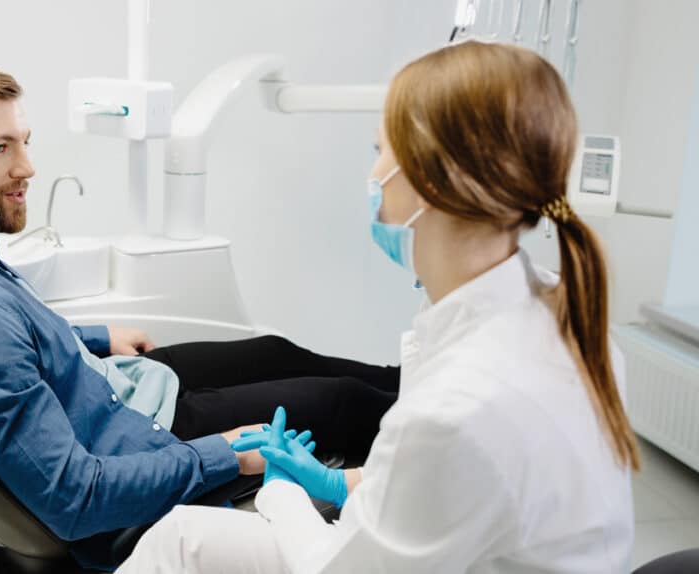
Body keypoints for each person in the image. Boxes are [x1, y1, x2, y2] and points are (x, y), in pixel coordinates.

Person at [116, 40, 638, 574]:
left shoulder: (459, 407)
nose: (373, 175)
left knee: (185, 540)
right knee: (183, 535)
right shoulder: (558, 310)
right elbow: (432, 492)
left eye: (379, 151)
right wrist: (338, 482)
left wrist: (281, 494)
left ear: (431, 180)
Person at [0, 55, 399, 569]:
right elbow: (73, 497)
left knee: (275, 351)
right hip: (143, 441)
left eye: (24, 142)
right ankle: (435, 468)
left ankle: (417, 377)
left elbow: (10, 337)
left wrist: (94, 337)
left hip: (114, 386)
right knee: (341, 404)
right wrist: (225, 456)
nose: (26, 167)